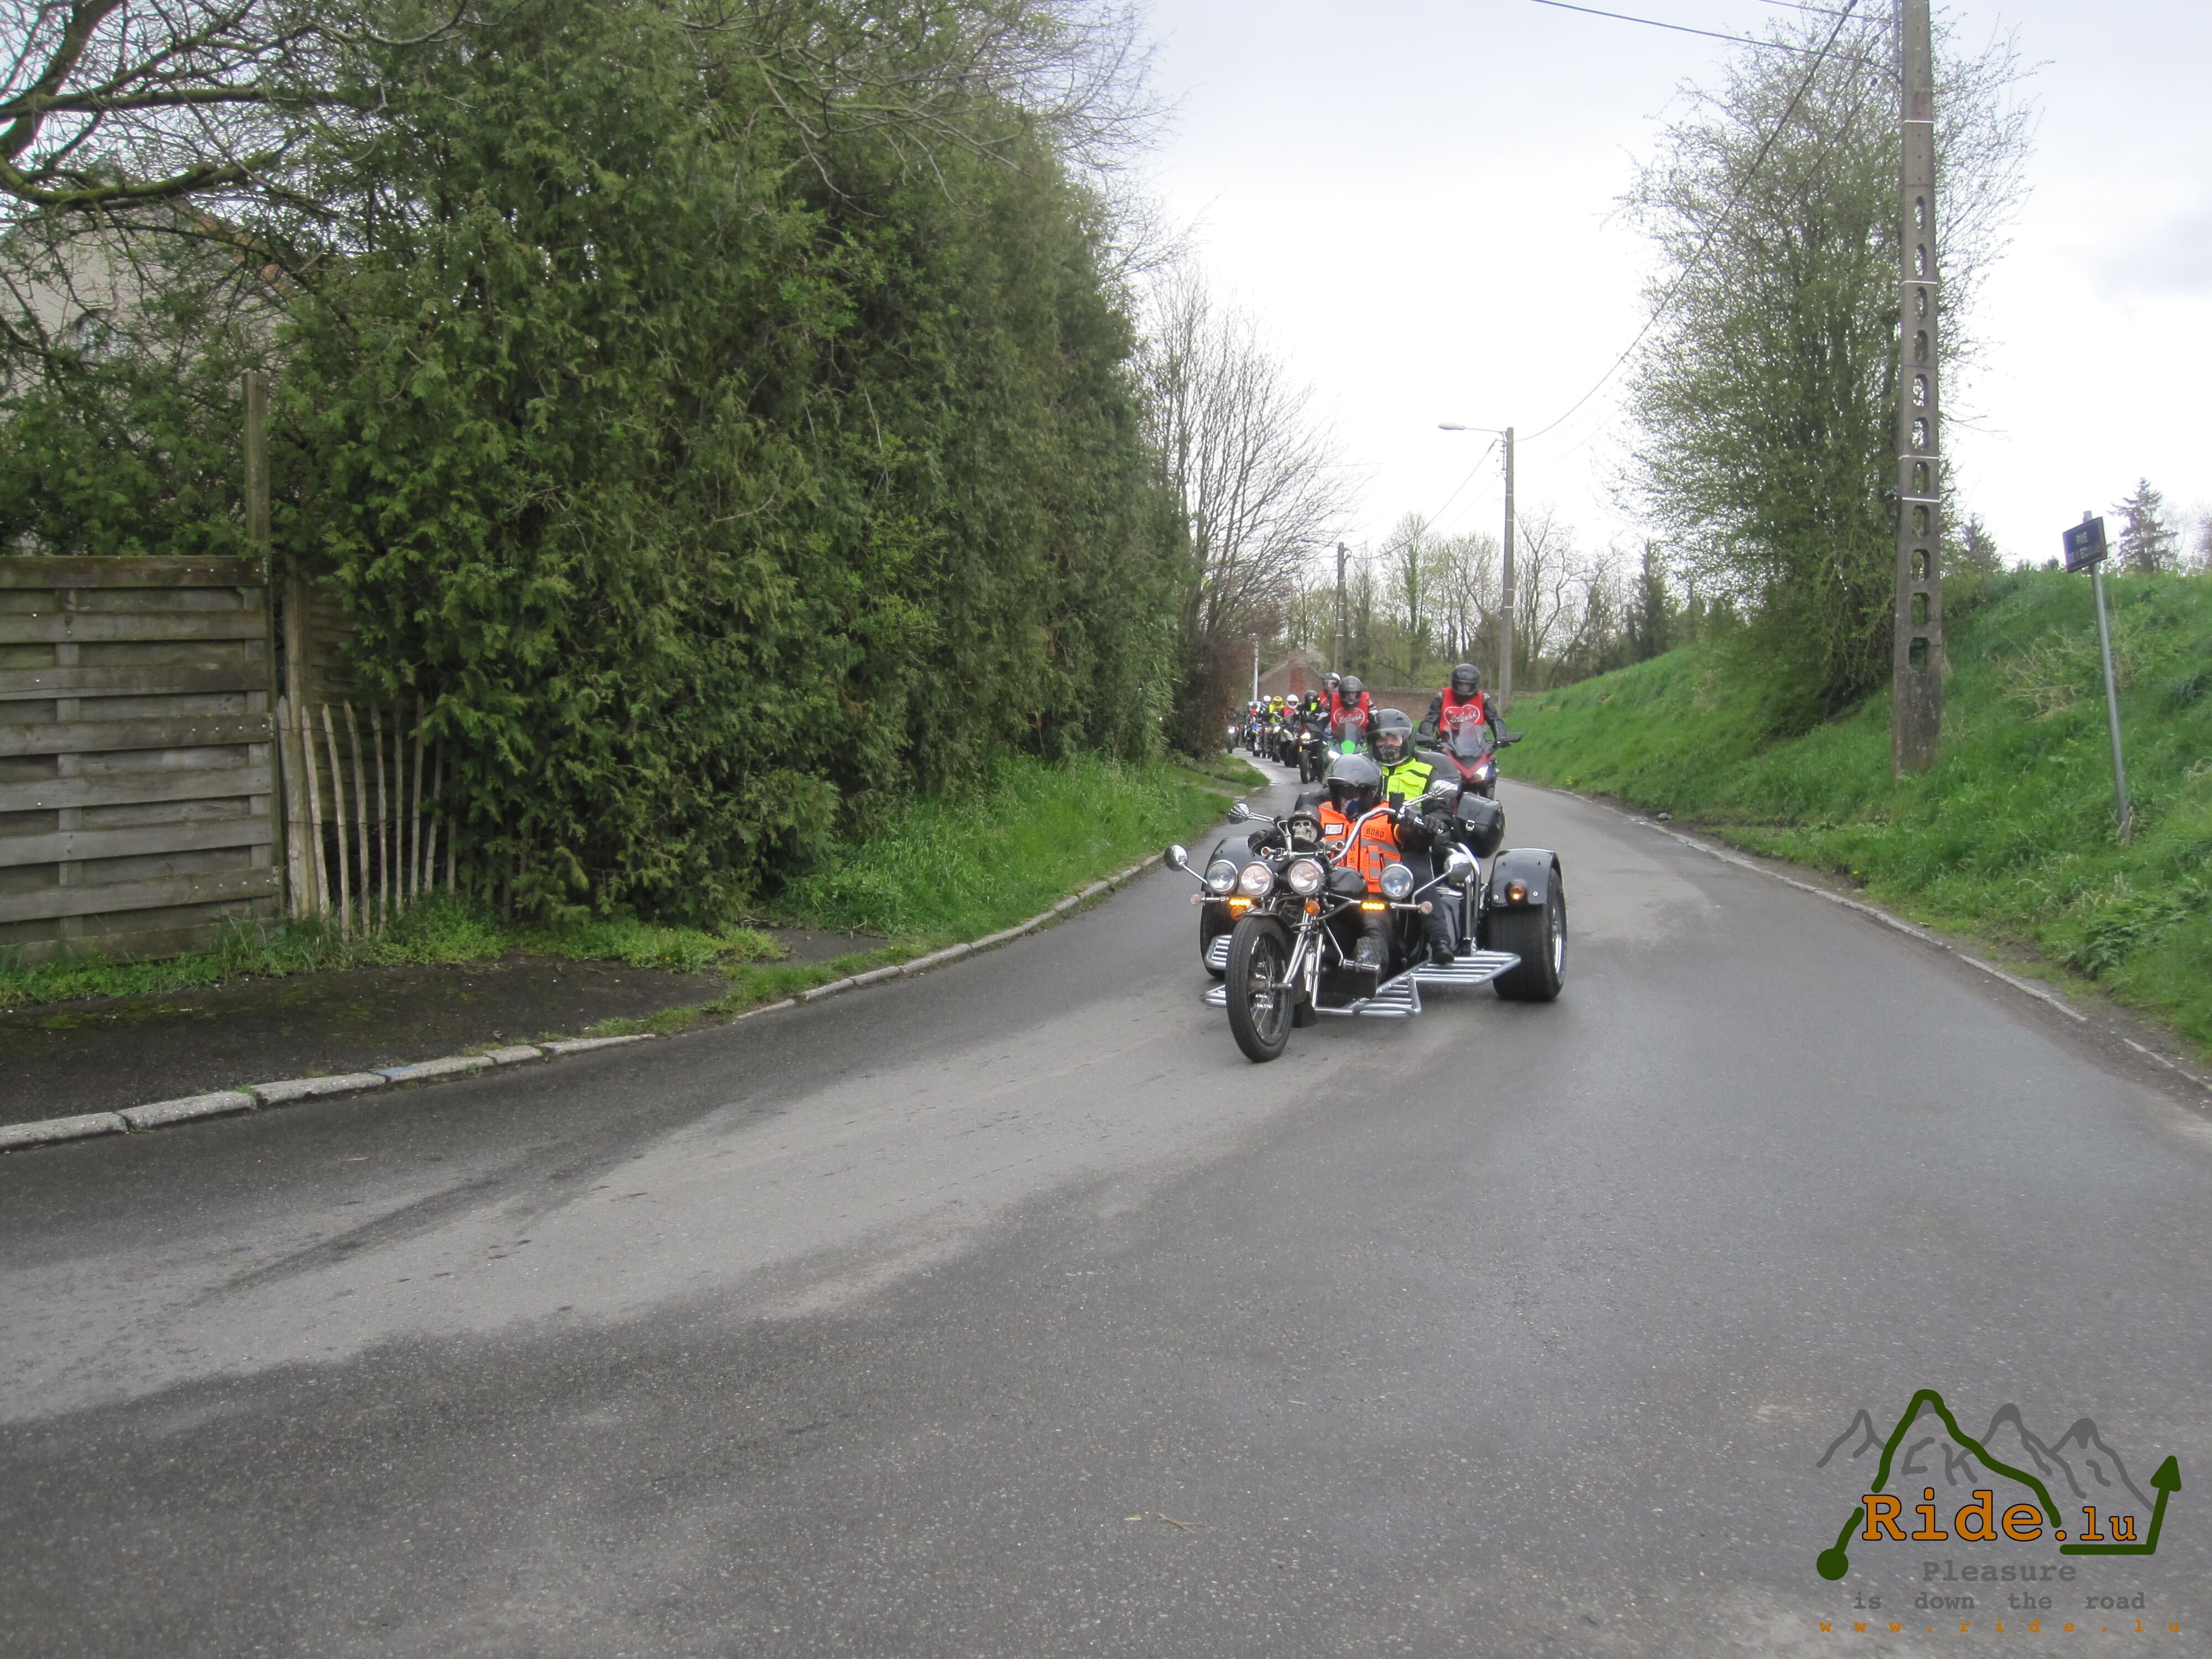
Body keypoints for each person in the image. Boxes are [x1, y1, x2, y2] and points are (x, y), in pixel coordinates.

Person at [1368, 708, 1459, 965]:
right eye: (1381, 739)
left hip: (1409, 841)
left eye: (1393, 738)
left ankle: (1440, 940)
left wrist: (1433, 821)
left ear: (1406, 740)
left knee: (1417, 870)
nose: (1387, 744)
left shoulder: (1425, 770)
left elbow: (1442, 811)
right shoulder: (1363, 768)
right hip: (1366, 840)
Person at [1422, 662, 1504, 745]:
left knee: (1490, 754)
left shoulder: (1483, 698)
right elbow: (1430, 720)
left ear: (1474, 685)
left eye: (1467, 685)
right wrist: (1427, 736)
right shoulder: (1442, 697)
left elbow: (1494, 719)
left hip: (1476, 746)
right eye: (1461, 684)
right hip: (1445, 745)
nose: (1464, 688)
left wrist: (1501, 736)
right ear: (1455, 683)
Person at [1329, 674, 1371, 747]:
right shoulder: (1332, 702)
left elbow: (1375, 719)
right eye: (1348, 693)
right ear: (1342, 693)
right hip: (1336, 741)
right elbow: (1322, 719)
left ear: (1358, 693)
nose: (1350, 696)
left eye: (1353, 693)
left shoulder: (1367, 702)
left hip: (1362, 741)